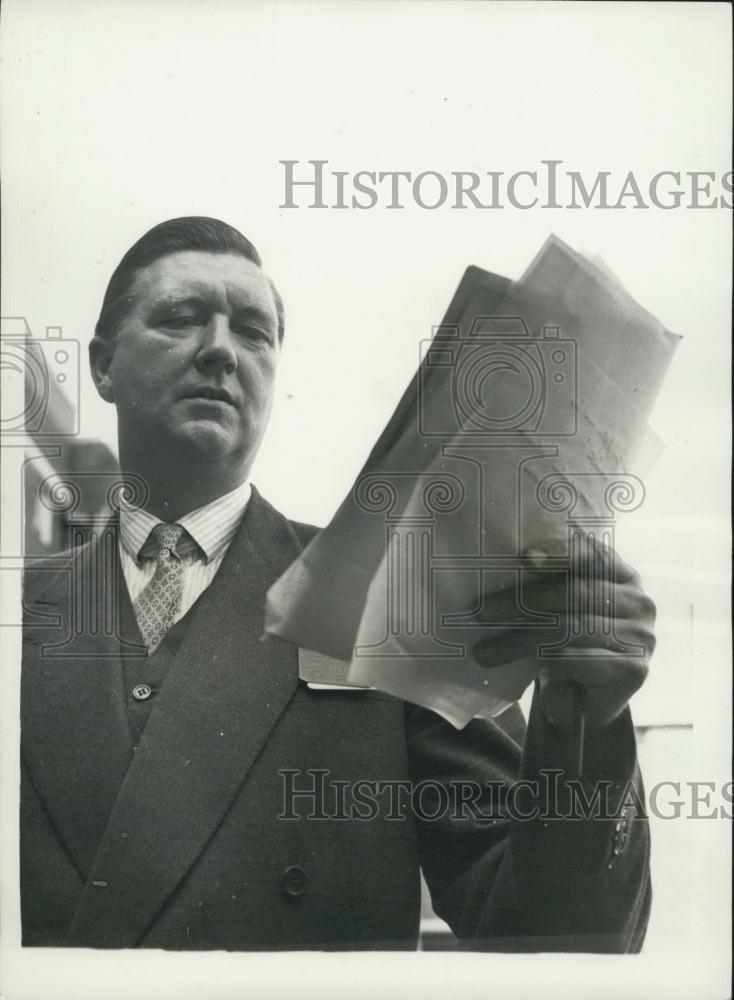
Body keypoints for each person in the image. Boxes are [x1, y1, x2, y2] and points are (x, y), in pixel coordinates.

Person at [21, 217, 654, 951]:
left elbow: (548, 937)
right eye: (180, 317)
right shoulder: (16, 613)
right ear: (102, 365)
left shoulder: (385, 590)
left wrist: (585, 722)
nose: (222, 350)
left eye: (254, 332)